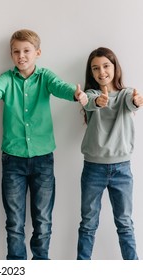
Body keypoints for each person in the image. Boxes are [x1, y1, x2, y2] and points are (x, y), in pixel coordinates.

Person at [0, 29, 88, 260]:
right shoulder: (6, 79)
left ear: (37, 52)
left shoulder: (45, 77)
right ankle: (16, 268)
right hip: (13, 160)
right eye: (16, 52)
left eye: (26, 51)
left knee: (43, 221)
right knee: (14, 222)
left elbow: (61, 87)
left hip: (43, 160)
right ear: (11, 55)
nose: (21, 56)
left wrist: (76, 94)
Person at [77, 47, 141, 260]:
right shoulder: (91, 95)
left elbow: (131, 103)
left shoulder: (125, 94)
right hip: (93, 168)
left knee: (124, 223)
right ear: (91, 73)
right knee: (88, 223)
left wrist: (137, 102)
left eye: (106, 66)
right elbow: (91, 102)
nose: (101, 72)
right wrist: (98, 102)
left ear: (115, 67)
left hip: (122, 168)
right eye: (96, 68)